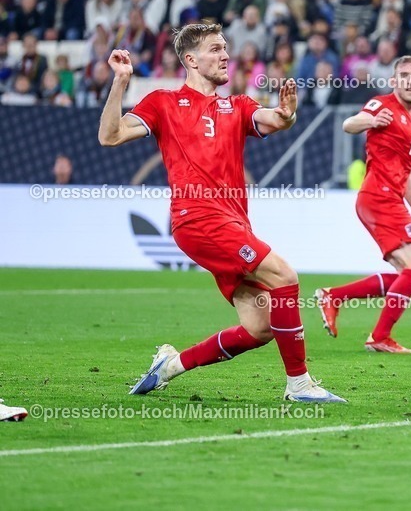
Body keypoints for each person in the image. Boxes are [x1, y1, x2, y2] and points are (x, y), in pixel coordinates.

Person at [98, 23, 343, 403]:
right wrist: (121, 82)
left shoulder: (239, 105)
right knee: (284, 275)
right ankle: (299, 385)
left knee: (260, 327)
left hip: (232, 223)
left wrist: (289, 114)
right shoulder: (163, 102)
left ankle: (171, 366)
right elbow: (109, 135)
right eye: (215, 49)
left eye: (225, 47)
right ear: (191, 60)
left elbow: (275, 119)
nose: (225, 54)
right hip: (197, 219)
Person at [316, 56, 411, 354]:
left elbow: (405, 176)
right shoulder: (381, 105)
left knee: (406, 273)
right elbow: (348, 124)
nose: (409, 80)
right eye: (404, 75)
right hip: (376, 195)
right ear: (394, 80)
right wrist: (371, 120)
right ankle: (379, 336)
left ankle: (335, 297)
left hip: (390, 197)